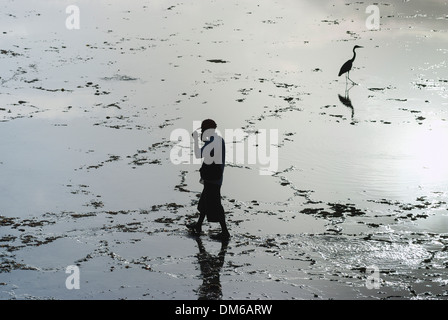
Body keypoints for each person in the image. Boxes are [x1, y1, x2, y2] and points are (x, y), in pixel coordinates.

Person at [187, 119, 230, 240]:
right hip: (215, 177)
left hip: (213, 179)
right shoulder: (217, 139)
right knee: (205, 203)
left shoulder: (212, 141)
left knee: (216, 205)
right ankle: (199, 225)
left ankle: (225, 232)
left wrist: (195, 140)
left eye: (203, 130)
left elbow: (198, 154)